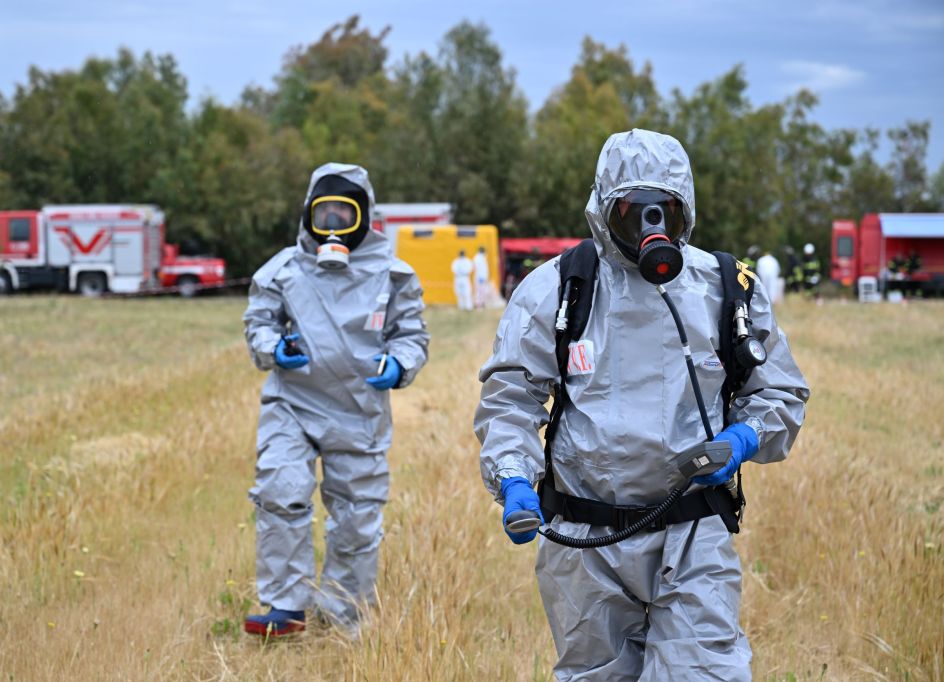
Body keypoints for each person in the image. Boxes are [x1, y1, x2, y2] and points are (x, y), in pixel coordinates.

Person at [475, 129, 809, 680]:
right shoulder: (557, 289)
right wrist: (512, 478)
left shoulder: (725, 289)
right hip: (585, 541)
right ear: (604, 212)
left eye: (666, 212)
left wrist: (745, 437)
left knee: (705, 671)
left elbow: (779, 391)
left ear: (686, 211)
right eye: (632, 213)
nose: (651, 228)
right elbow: (511, 399)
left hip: (692, 531)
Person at [242, 162, 430, 637]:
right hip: (293, 404)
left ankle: (343, 613)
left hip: (359, 410)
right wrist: (272, 348)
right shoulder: (284, 271)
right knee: (280, 493)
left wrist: (400, 364)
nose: (331, 227)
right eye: (322, 214)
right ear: (307, 215)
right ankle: (285, 606)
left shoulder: (394, 276)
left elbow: (411, 334)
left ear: (364, 217)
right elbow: (258, 322)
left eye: (343, 215)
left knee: (356, 519)